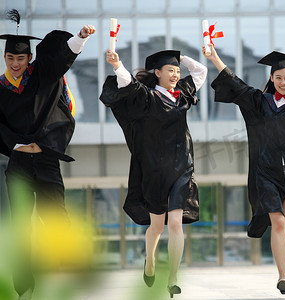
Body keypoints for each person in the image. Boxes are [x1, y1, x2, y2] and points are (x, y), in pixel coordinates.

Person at [203, 45, 285, 294]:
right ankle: (283, 275)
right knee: (279, 223)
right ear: (271, 78)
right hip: (266, 172)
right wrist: (214, 57)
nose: (283, 82)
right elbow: (236, 85)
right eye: (278, 77)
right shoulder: (262, 102)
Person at [0, 9, 95, 300]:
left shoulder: (42, 75)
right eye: (10, 58)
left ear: (29, 58)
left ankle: (62, 278)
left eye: (21, 58)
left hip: (46, 160)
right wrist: (16, 145)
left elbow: (59, 60)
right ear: (5, 59)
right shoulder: (0, 88)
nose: (16, 64)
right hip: (18, 163)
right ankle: (24, 287)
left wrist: (79, 39)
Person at [100, 49, 206, 298]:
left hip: (182, 167)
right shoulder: (146, 98)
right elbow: (126, 82)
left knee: (177, 223)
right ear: (157, 73)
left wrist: (183, 60)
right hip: (154, 170)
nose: (175, 74)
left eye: (177, 71)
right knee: (157, 227)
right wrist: (117, 65)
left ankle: (173, 277)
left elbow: (201, 72)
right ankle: (150, 261)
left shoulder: (182, 95)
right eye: (170, 70)